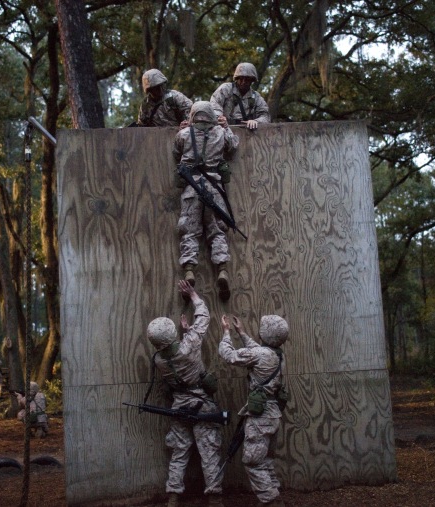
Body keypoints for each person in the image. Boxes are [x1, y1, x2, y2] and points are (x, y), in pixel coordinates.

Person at [146, 280, 224, 507]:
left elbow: (174, 354)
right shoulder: (189, 345)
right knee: (209, 452)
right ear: (172, 336)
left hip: (179, 407)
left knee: (179, 453)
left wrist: (184, 334)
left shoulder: (159, 360)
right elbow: (204, 317)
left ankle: (173, 497)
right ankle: (215, 498)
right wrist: (193, 296)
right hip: (202, 403)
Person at [218, 314, 288, 507]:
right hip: (273, 414)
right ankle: (274, 496)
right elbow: (258, 350)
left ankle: (272, 502)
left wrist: (226, 333)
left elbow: (228, 355)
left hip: (260, 419)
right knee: (264, 461)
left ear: (264, 334)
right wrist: (242, 333)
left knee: (253, 462)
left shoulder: (260, 355)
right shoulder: (278, 355)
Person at [173, 101, 239, 300]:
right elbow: (233, 145)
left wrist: (183, 129)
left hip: (192, 189)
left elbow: (176, 151)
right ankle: (222, 270)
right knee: (217, 231)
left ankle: (189, 271)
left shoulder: (184, 135)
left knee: (190, 232)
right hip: (214, 189)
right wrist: (226, 127)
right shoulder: (219, 133)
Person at [210, 62, 270, 130]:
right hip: (224, 130)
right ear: (236, 78)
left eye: (247, 79)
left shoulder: (256, 97)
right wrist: (220, 118)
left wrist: (256, 121)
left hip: (246, 133)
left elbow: (265, 116)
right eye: (241, 79)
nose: (243, 82)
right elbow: (214, 105)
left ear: (252, 80)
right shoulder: (225, 89)